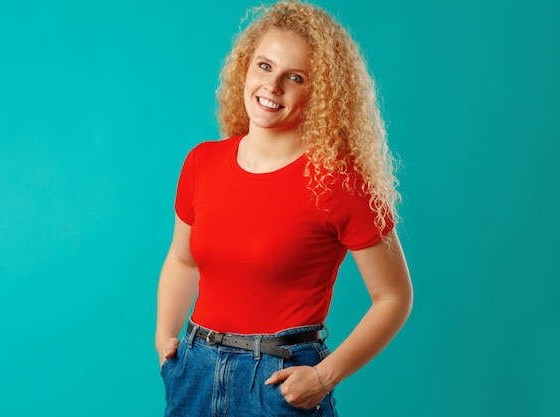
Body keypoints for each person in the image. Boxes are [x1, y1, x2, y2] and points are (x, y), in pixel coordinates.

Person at [155, 0, 413, 415]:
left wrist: (324, 376)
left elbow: (394, 298)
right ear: (245, 67)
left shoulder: (341, 183)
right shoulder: (202, 162)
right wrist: (166, 336)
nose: (272, 87)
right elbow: (183, 260)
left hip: (279, 383)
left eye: (295, 77)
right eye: (264, 66)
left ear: (321, 92)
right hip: (196, 372)